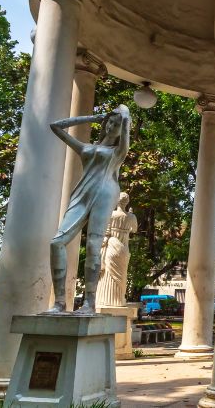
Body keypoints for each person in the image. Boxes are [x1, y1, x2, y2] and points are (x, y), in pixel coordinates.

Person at [45, 105, 132, 314]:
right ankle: (59, 302)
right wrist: (93, 116)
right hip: (82, 192)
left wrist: (126, 118)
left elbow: (125, 142)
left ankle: (88, 303)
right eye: (110, 122)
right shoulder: (86, 148)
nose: (112, 127)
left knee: (94, 244)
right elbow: (55, 127)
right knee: (57, 242)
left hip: (106, 192)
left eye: (117, 125)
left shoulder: (117, 152)